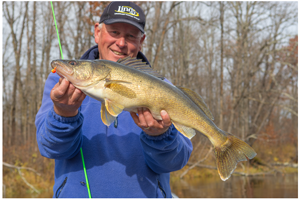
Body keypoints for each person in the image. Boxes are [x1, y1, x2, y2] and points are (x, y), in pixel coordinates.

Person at [35, 1, 193, 198]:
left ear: (141, 40)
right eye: (115, 32)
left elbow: (174, 162)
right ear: (97, 32)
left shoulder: (164, 88)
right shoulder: (60, 85)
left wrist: (160, 136)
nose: (121, 43)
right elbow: (51, 148)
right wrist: (63, 113)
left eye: (130, 36)